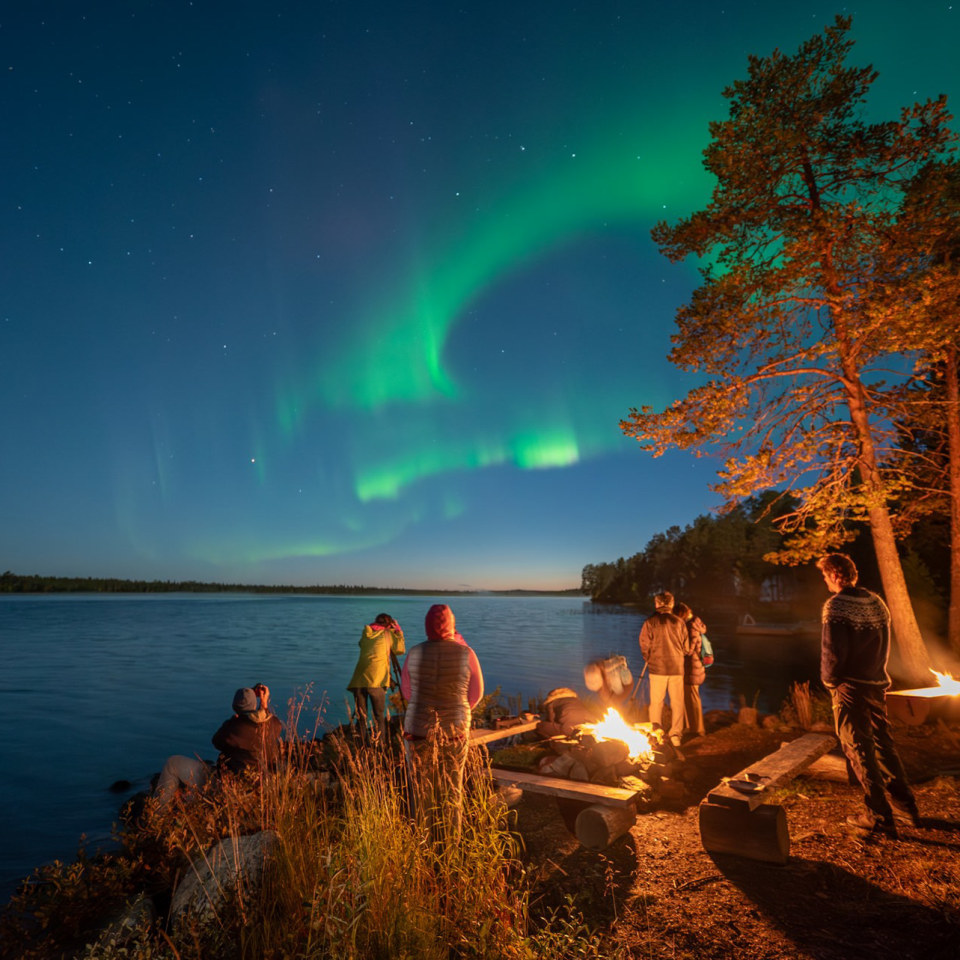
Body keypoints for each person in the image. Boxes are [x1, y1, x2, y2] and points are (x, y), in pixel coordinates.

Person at [817, 553, 920, 837]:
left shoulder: (836, 607)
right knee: (883, 745)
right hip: (876, 684)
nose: (825, 581)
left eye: (826, 576)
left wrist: (829, 682)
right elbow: (884, 646)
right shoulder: (877, 603)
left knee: (858, 747)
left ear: (836, 574)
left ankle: (878, 816)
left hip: (849, 688)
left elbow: (832, 652)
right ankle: (906, 807)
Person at [400, 604, 483, 845]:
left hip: (417, 730)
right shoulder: (466, 653)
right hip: (454, 731)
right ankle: (450, 850)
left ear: (427, 626)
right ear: (452, 624)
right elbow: (476, 694)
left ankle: (424, 847)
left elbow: (407, 693)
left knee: (421, 791)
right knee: (452, 790)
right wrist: (455, 711)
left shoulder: (415, 652)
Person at [154, 684, 283, 807]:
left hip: (229, 789)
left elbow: (217, 742)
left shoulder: (234, 727)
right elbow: (266, 720)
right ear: (255, 705)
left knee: (172, 764)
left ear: (235, 707)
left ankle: (156, 816)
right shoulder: (274, 725)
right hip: (259, 790)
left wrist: (233, 720)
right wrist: (264, 704)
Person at [638, 592, 688, 747]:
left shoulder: (650, 622)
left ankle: (656, 733)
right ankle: (675, 735)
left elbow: (644, 644)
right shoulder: (679, 622)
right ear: (671, 604)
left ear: (657, 604)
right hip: (676, 667)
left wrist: (649, 658)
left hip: (657, 668)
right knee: (678, 702)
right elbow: (686, 647)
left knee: (656, 703)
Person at [347, 612, 405, 742]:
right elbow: (400, 649)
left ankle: (360, 746)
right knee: (379, 716)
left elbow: (361, 645)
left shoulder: (366, 633)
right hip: (376, 681)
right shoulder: (387, 634)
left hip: (359, 680)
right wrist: (398, 631)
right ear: (389, 625)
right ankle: (381, 747)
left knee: (361, 717)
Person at [674, 602, 707, 738]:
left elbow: (689, 650)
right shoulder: (694, 624)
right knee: (689, 697)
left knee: (693, 697)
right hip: (694, 667)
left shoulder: (690, 626)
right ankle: (692, 727)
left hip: (692, 668)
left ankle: (698, 729)